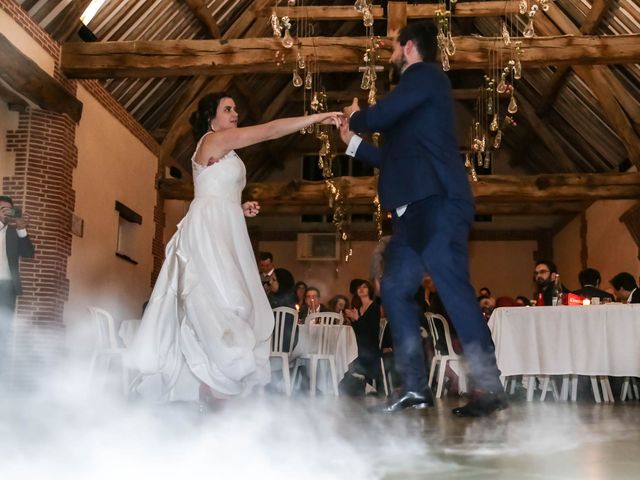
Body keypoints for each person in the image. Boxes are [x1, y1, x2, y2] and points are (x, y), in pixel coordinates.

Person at [127, 93, 342, 403]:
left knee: (233, 303)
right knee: (223, 301)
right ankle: (211, 382)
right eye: (227, 109)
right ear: (211, 119)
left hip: (225, 225)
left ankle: (214, 382)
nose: (235, 113)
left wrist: (238, 208)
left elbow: (216, 190)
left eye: (235, 108)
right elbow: (268, 130)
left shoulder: (222, 148)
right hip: (209, 230)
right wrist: (316, 118)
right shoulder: (214, 140)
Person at [339, 21, 505, 416]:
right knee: (394, 290)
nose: (391, 54)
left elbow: (381, 116)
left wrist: (357, 116)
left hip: (439, 203)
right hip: (412, 213)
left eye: (394, 47)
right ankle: (414, 386)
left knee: (452, 289)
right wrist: (353, 143)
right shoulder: (413, 104)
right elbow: (394, 159)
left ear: (408, 47)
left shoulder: (427, 76)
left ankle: (488, 386)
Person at [0, 196, 34, 368]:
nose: (7, 212)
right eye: (3, 209)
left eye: (9, 209)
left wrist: (22, 229)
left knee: (3, 332)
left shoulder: (14, 233)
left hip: (6, 288)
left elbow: (28, 253)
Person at [344, 280, 382, 392]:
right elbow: (358, 331)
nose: (361, 289)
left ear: (369, 290)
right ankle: (360, 384)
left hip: (370, 346)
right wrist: (353, 321)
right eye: (359, 287)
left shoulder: (374, 307)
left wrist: (357, 319)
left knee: (356, 350)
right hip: (360, 344)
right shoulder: (358, 308)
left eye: (364, 287)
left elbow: (372, 331)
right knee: (348, 348)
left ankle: (365, 383)